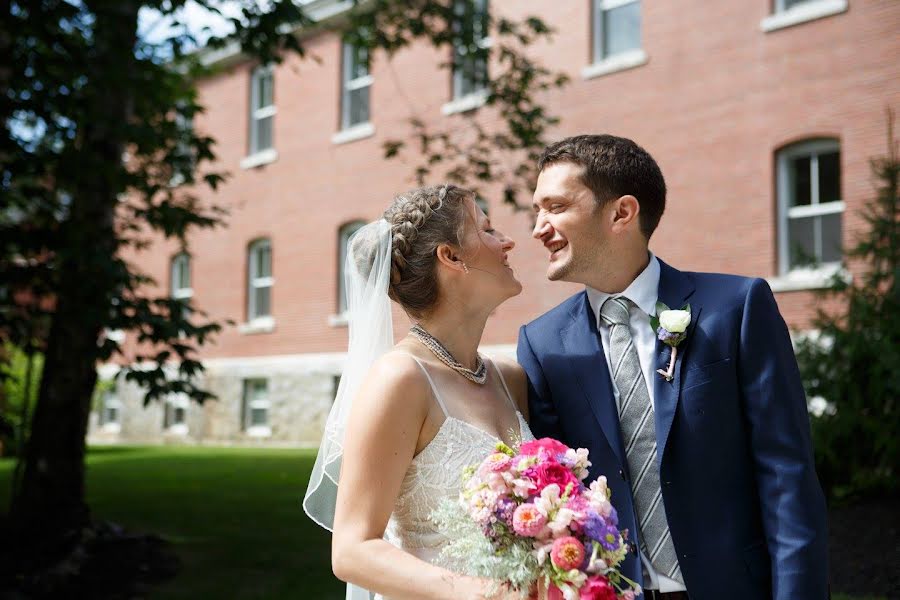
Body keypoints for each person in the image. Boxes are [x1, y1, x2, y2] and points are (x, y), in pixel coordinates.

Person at [518, 134, 829, 600]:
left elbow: (787, 476)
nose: (539, 228)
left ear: (622, 213)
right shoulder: (542, 345)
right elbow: (561, 501)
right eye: (536, 210)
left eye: (556, 206)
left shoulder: (736, 308)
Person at [304, 184, 535, 600]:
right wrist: (489, 594)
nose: (507, 242)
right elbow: (353, 550)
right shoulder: (400, 380)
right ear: (451, 257)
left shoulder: (510, 379)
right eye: (487, 230)